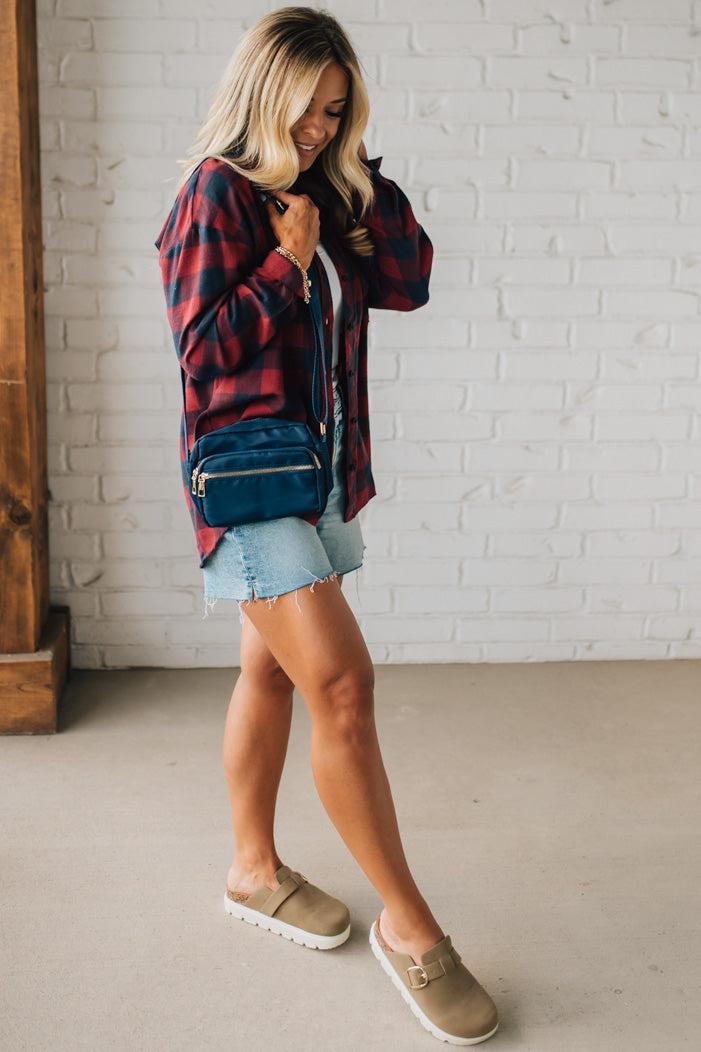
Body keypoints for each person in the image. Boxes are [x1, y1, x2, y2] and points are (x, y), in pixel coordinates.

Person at [155, 6, 498, 1045]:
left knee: (269, 672)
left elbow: (408, 283)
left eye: (336, 112)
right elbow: (201, 352)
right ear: (261, 97)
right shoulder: (216, 193)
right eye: (305, 111)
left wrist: (353, 178)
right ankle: (410, 925)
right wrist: (285, 264)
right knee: (342, 686)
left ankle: (251, 870)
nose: (316, 128)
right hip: (251, 481)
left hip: (323, 476)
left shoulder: (327, 187)